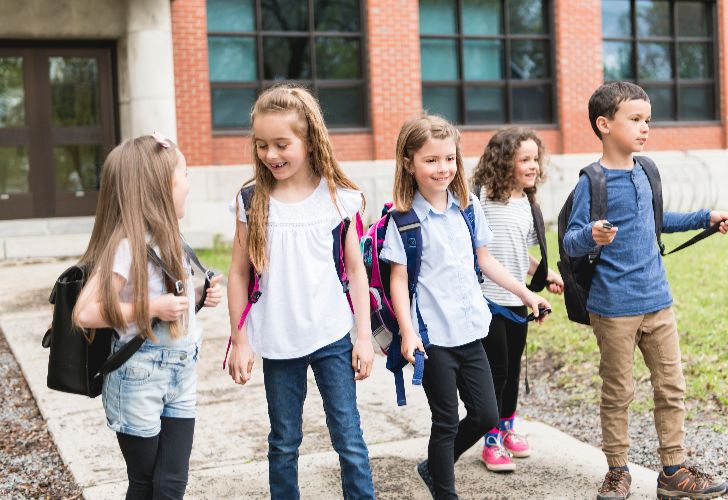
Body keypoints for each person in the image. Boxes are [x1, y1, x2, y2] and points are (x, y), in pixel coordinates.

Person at [563, 81, 728, 500]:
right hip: (613, 308)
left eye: (648, 120)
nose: (645, 128)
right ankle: (618, 471)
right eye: (635, 119)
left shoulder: (646, 171)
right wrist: (592, 235)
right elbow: (569, 242)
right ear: (604, 125)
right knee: (618, 392)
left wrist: (705, 218)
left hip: (658, 302)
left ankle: (673, 473)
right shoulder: (592, 181)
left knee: (671, 387)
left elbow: (657, 220)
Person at [380, 114, 551, 499]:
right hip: (434, 339)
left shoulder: (468, 207)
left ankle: (432, 467)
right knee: (444, 422)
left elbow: (487, 261)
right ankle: (445, 491)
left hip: (473, 332)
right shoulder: (403, 220)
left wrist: (528, 295)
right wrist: (407, 333)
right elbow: (400, 280)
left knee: (486, 415)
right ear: (408, 163)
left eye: (449, 159)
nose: (443, 168)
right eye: (431, 160)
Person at [225, 85, 375, 500]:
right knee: (284, 442)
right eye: (261, 145)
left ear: (308, 140)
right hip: (277, 342)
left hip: (331, 337)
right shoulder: (251, 201)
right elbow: (237, 274)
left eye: (281, 144)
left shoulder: (341, 199)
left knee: (348, 438)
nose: (271, 155)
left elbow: (356, 271)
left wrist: (363, 336)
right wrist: (240, 340)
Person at [73, 133, 223, 499]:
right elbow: (85, 312)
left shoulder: (172, 238)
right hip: (138, 378)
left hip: (180, 375)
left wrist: (202, 294)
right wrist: (151, 309)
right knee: (145, 484)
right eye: (183, 175)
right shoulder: (127, 246)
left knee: (171, 483)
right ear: (159, 188)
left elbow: (170, 297)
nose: (188, 184)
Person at [471, 128, 564, 472]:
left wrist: (546, 274)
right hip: (488, 302)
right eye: (524, 159)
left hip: (517, 304)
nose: (533, 166)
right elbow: (486, 254)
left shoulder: (528, 203)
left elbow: (517, 254)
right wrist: (527, 292)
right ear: (502, 161)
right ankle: (491, 439)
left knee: (512, 372)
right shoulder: (481, 201)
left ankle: (508, 427)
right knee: (495, 372)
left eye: (535, 159)